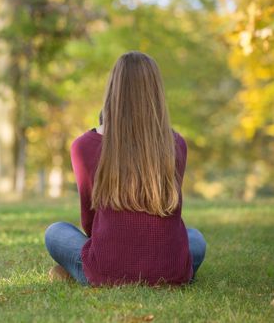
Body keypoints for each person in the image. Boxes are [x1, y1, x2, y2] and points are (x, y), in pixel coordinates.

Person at [44, 51, 206, 286]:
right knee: (196, 239)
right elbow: (171, 213)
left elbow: (90, 223)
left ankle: (79, 271)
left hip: (107, 270)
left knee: (56, 232)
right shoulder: (176, 144)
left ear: (113, 90)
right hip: (171, 272)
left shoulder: (84, 146)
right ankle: (155, 271)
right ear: (157, 93)